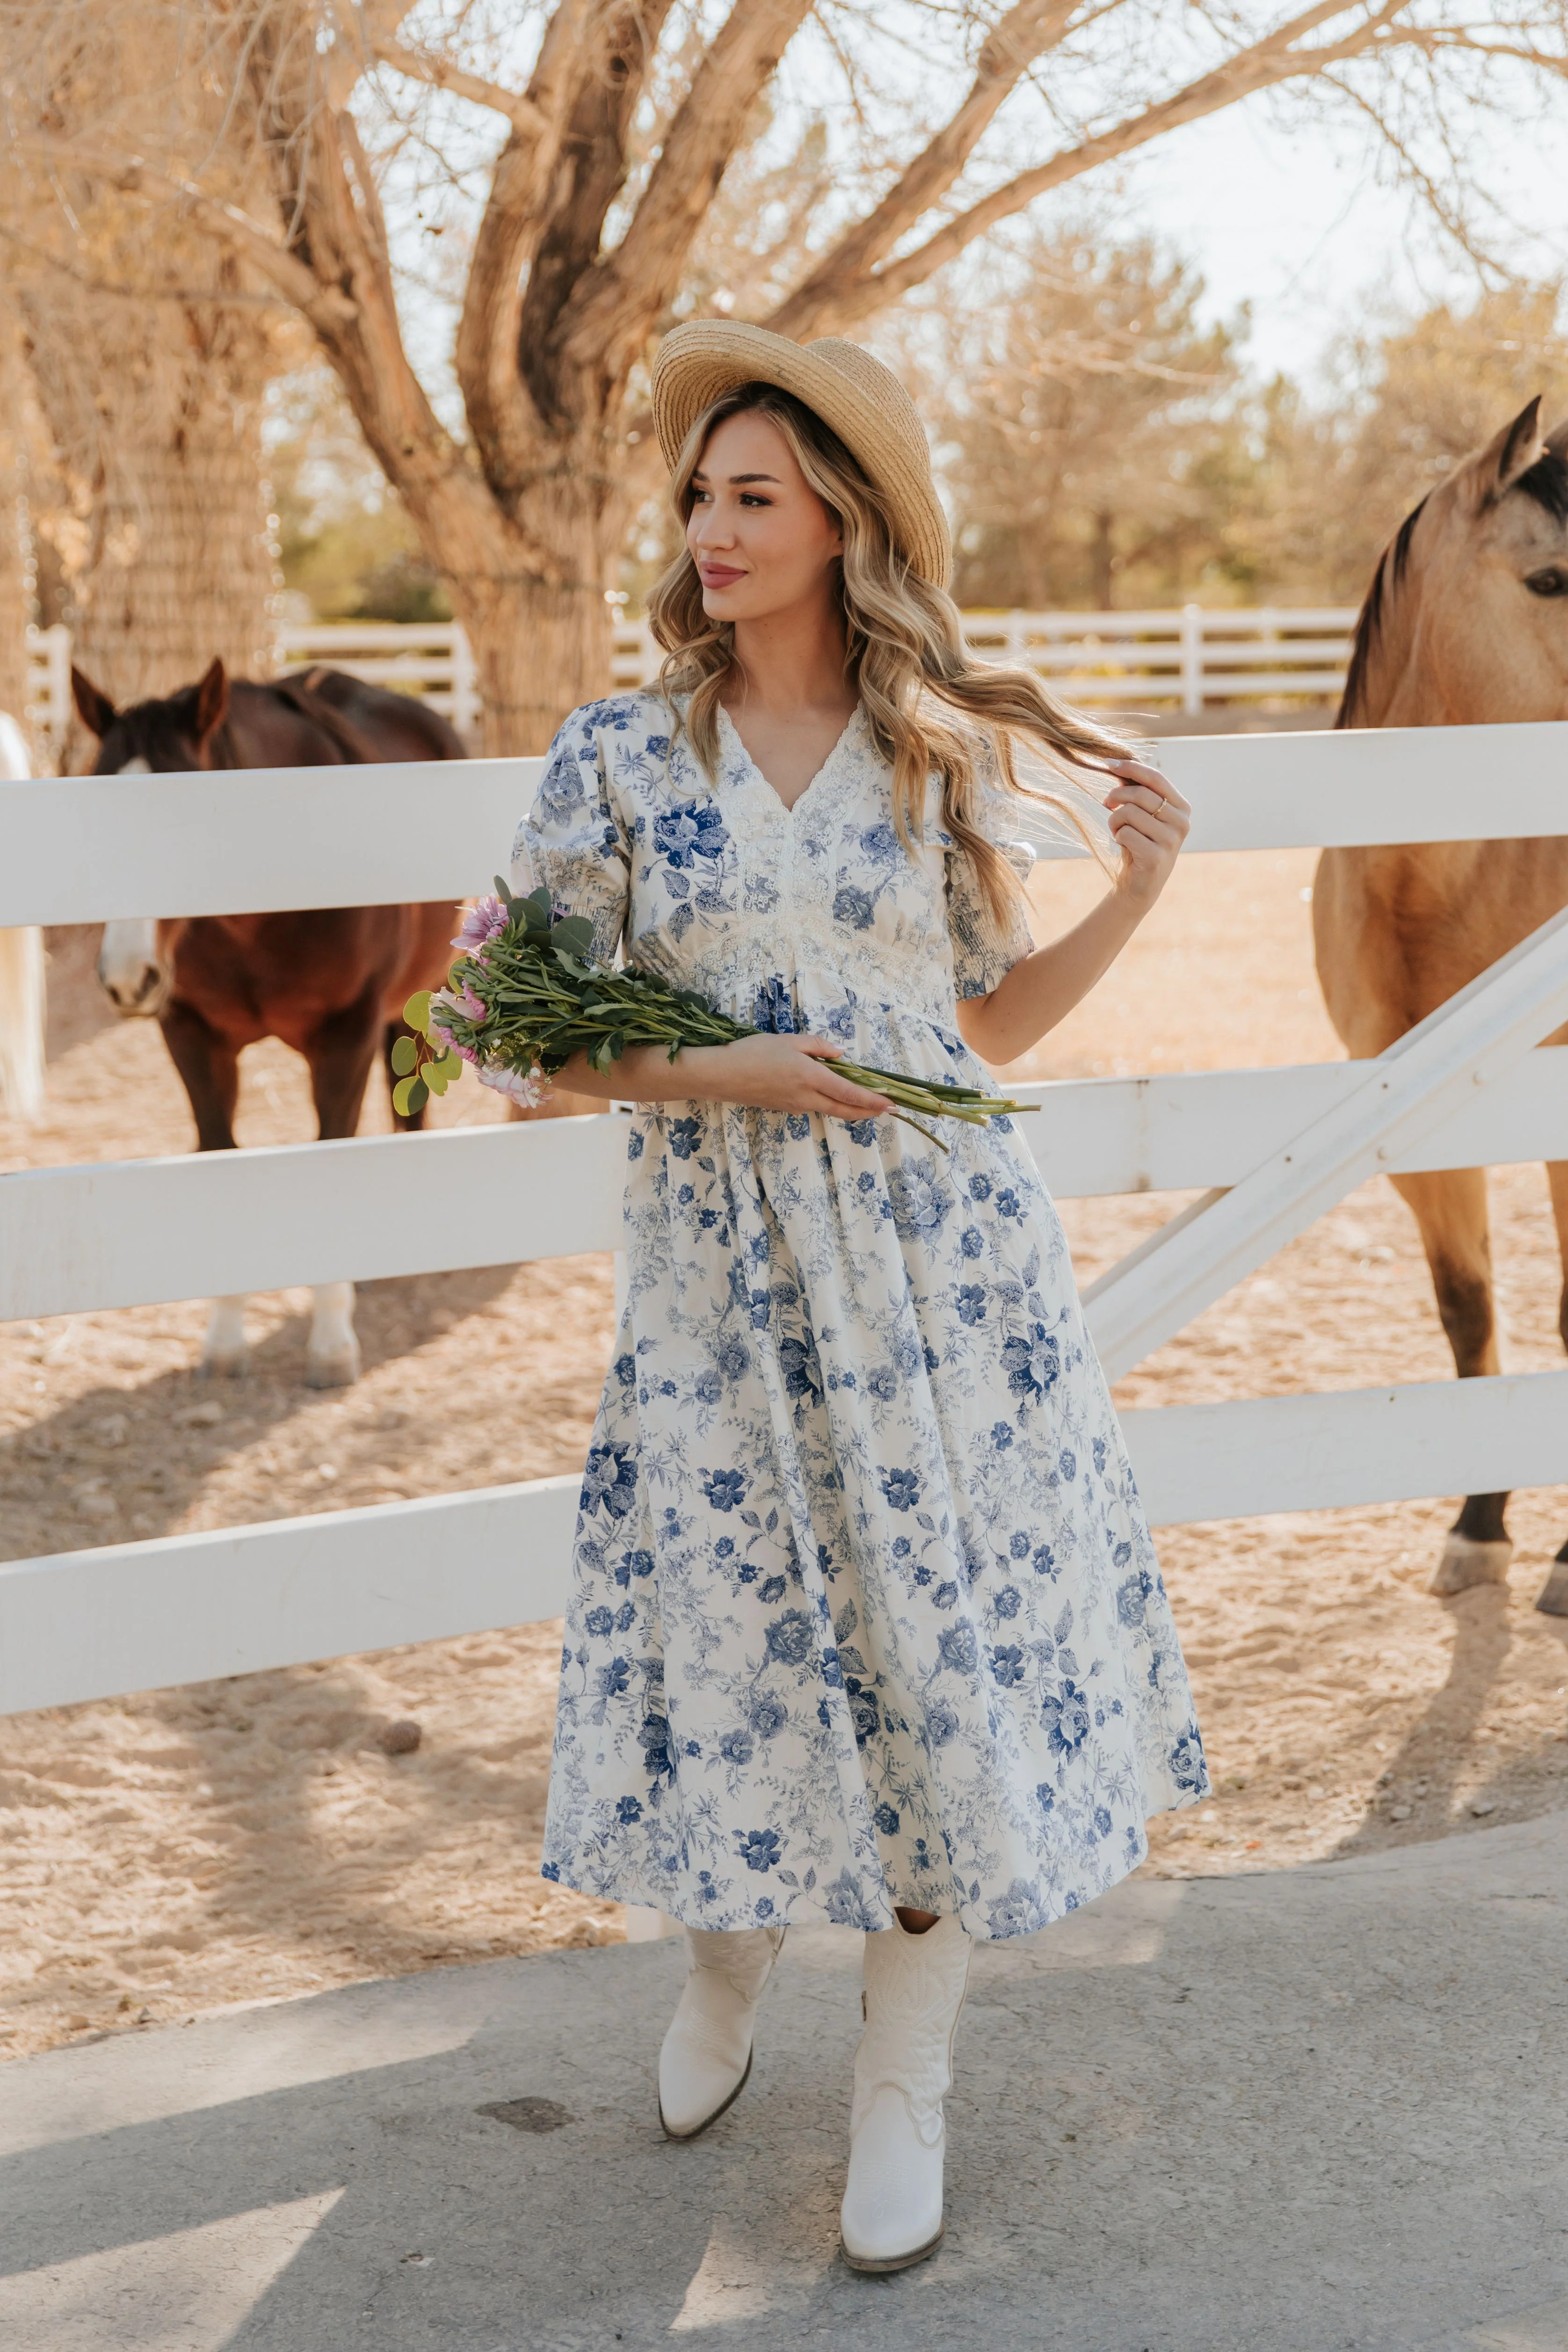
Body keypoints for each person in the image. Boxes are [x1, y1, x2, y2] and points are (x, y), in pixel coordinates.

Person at [521, 322, 1208, 2274]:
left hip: (941, 1278)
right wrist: (733, 1070)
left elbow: (977, 1029)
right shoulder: (619, 759)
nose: (711, 528)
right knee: (730, 1637)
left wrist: (1136, 899)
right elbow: (531, 1035)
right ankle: (725, 1974)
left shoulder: (927, 758)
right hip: (719, 1281)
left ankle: (903, 2069)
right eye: (697, 497)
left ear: (841, 521)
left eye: (753, 496)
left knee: (929, 1654)